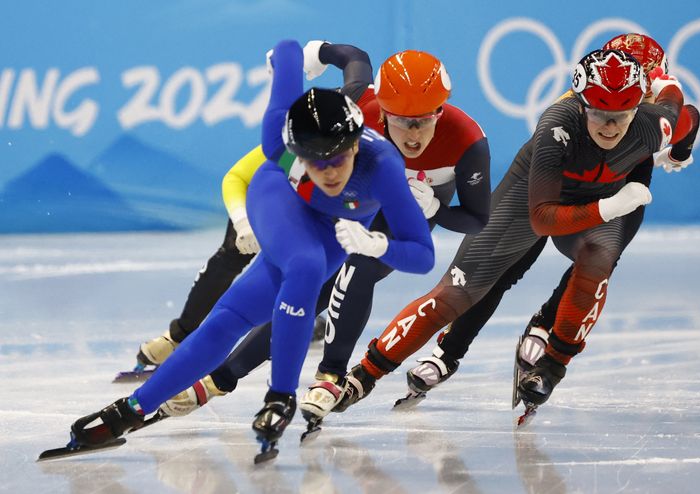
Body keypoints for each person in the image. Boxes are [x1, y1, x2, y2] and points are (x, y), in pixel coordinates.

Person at [63, 39, 435, 458]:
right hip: (280, 200)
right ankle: (280, 398)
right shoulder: (279, 139)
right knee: (307, 266)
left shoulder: (383, 166)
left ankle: (129, 410)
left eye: (336, 160)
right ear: (296, 152)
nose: (328, 172)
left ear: (353, 146)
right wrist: (294, 55)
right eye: (315, 162)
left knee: (231, 318)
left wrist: (377, 244)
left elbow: (423, 256)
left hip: (338, 230)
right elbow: (287, 49)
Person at [333, 47, 691, 414]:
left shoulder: (654, 125)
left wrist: (680, 148)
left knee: (597, 261)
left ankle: (552, 363)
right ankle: (367, 373)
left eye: (622, 114)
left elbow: (685, 115)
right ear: (581, 104)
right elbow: (542, 219)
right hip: (541, 198)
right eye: (598, 113)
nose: (610, 126)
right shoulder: (558, 125)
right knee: (459, 292)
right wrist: (610, 206)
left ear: (641, 102)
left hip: (605, 198)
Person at [159, 43, 492, 426]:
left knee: (362, 267)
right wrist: (320, 52)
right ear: (381, 111)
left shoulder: (467, 140)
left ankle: (331, 375)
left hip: (411, 207)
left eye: (424, 120)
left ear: (441, 110)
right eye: (401, 120)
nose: (413, 134)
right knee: (307, 289)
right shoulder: (354, 114)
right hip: (352, 201)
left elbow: (476, 219)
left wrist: (436, 208)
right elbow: (356, 64)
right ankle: (221, 377)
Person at [131, 41, 377, 372]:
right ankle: (181, 334)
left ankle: (302, 315)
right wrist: (243, 222)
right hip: (279, 195)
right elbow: (235, 178)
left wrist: (320, 51)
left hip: (331, 204)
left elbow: (355, 57)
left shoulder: (370, 105)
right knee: (234, 251)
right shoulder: (293, 136)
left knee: (328, 260)